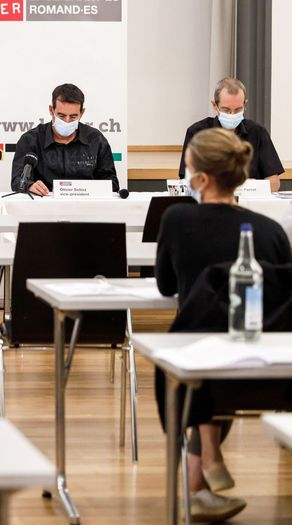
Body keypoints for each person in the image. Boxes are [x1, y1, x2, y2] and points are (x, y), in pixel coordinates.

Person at [156, 127, 291, 522]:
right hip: (265, 370)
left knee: (203, 343)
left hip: (199, 367)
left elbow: (166, 285)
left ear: (200, 177)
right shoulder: (268, 230)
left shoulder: (178, 218)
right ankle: (203, 476)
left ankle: (198, 482)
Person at [10, 83, 119, 195]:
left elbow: (112, 183)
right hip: (44, 207)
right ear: (51, 110)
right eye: (61, 116)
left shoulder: (96, 140)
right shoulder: (30, 140)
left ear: (82, 113)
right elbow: (17, 180)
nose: (67, 121)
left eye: (73, 116)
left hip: (86, 207)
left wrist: (85, 190)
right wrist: (29, 185)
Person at [179, 77, 283, 192]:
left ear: (245, 104)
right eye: (226, 110)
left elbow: (274, 182)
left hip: (249, 204)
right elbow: (187, 182)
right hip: (210, 203)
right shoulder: (197, 133)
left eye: (238, 109)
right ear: (215, 105)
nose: (232, 114)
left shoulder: (258, 132)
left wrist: (249, 187)